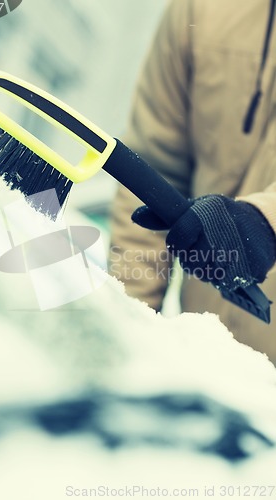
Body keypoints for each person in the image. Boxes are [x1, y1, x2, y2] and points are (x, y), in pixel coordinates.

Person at [109, 0, 276, 364]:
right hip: (204, 359)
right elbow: (152, 172)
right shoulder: (200, 9)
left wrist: (266, 219)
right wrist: (126, 329)